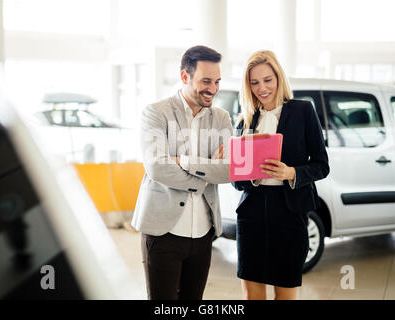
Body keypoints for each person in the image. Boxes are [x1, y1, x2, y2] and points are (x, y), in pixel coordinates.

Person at [131, 45, 233, 300]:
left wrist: (183, 161)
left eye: (217, 81)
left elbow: (230, 170)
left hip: (203, 233)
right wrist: (207, 172)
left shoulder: (221, 119)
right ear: (185, 76)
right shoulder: (156, 113)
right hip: (162, 232)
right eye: (206, 81)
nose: (213, 88)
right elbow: (158, 167)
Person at [231, 50, 329, 300]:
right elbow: (237, 181)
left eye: (267, 80)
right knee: (252, 294)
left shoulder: (303, 111)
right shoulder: (245, 121)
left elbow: (321, 165)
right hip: (252, 212)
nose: (262, 88)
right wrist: (251, 176)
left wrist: (291, 172)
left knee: (284, 292)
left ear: (278, 78)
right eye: (254, 82)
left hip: (289, 211)